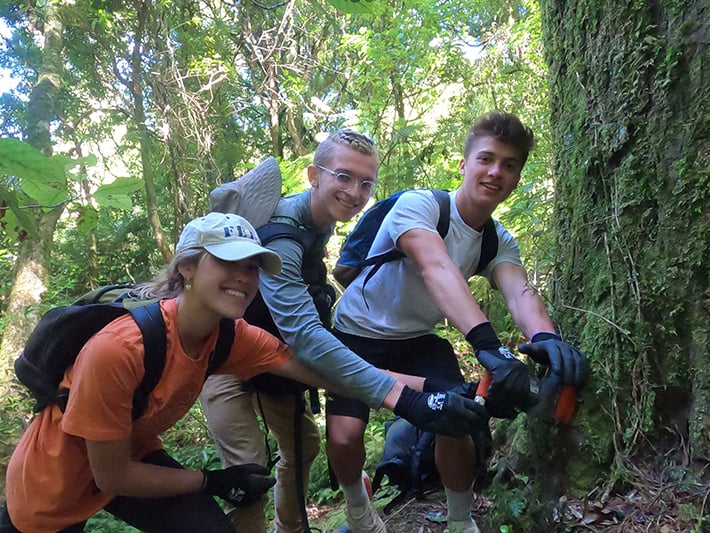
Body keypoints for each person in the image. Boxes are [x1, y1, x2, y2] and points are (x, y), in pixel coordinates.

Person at [199, 130, 488, 533]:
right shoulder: (283, 235)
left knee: (302, 449)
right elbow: (306, 335)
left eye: (366, 183)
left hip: (273, 362)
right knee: (248, 472)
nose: (355, 192)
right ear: (314, 175)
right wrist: (408, 399)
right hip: (225, 358)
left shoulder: (318, 222)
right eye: (343, 177)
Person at [0, 212, 350, 533]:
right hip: (54, 484)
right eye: (228, 260)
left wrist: (397, 390)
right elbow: (112, 476)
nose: (244, 276)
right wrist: (213, 481)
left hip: (132, 455)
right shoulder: (120, 349)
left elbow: (320, 369)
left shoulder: (229, 333)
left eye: (253, 265)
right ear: (187, 267)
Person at [328, 112, 589, 533]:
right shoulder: (422, 206)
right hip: (356, 335)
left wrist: (546, 337)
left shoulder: (497, 239)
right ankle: (359, 512)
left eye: (509, 164)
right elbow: (436, 268)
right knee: (343, 436)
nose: (495, 171)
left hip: (418, 339)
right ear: (464, 165)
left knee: (458, 418)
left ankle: (460, 522)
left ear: (518, 176)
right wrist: (489, 347)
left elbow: (519, 291)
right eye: (486, 159)